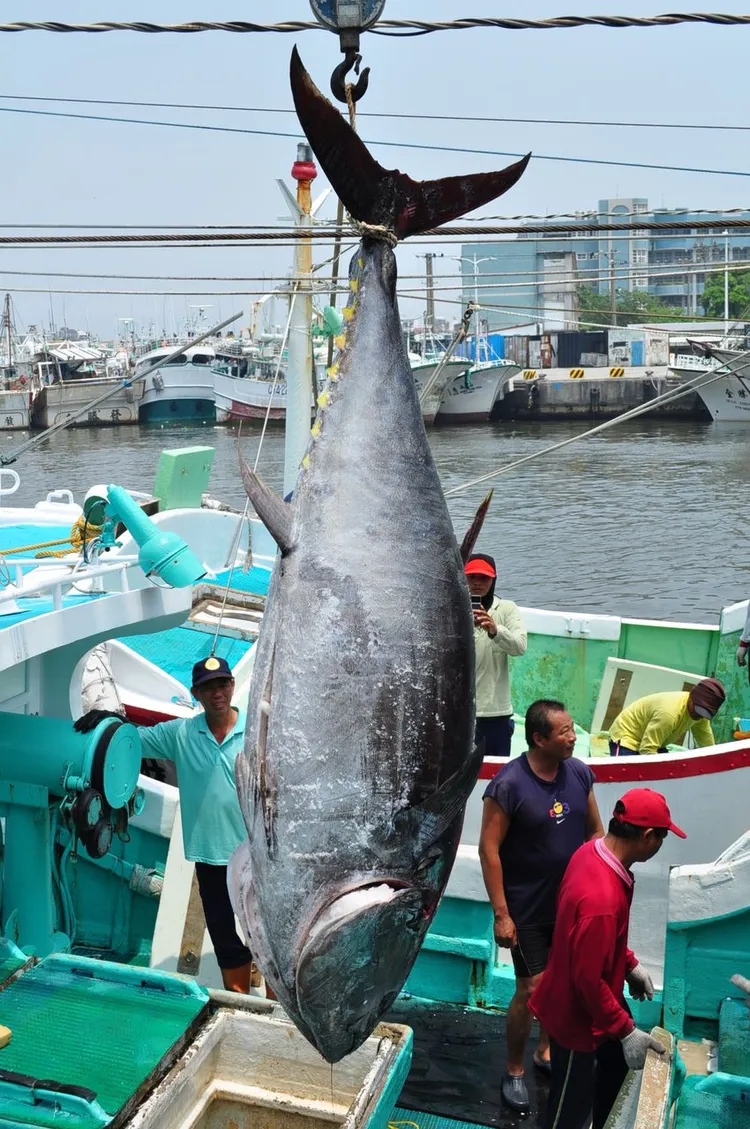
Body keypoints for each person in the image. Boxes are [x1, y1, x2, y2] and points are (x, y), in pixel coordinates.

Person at [75, 655, 264, 997]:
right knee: (224, 937)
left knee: (266, 938)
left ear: (232, 686)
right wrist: (109, 721)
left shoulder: (255, 733)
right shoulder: (182, 734)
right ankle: (241, 1003)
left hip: (255, 855)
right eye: (208, 687)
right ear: (196, 693)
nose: (217, 692)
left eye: (222, 684)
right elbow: (135, 739)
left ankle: (280, 1011)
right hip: (210, 857)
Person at [530, 788, 686, 1129]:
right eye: (662, 837)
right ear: (647, 836)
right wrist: (625, 1030)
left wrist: (628, 963)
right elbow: (586, 979)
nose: (661, 843)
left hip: (594, 991)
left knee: (613, 1070)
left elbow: (588, 937)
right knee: (566, 1112)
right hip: (576, 1016)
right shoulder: (603, 898)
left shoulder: (591, 853)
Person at [478, 699, 603, 1114]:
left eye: (572, 730)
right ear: (539, 738)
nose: (573, 737)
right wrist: (501, 913)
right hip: (526, 909)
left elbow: (594, 834)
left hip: (570, 904)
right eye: (564, 732)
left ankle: (544, 1052)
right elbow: (489, 850)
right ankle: (514, 1069)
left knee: (561, 983)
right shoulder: (508, 785)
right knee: (532, 988)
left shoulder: (579, 773)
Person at [465, 553, 527, 759]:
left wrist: (495, 630)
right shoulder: (451, 609)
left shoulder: (507, 609)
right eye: (471, 577)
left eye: (484, 578)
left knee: (497, 773)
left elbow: (520, 647)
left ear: (493, 580)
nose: (477, 583)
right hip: (459, 711)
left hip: (495, 713)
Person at [608, 677, 726, 756]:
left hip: (652, 741)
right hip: (627, 737)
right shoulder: (669, 714)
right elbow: (647, 750)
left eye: (704, 714)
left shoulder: (701, 716)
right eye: (698, 710)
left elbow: (707, 747)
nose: (699, 716)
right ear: (691, 697)